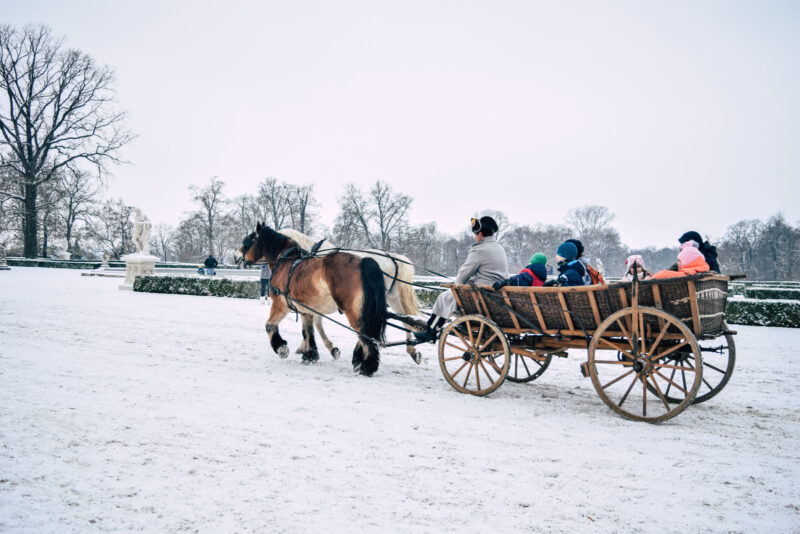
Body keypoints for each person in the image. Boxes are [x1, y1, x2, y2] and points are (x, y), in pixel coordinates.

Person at [415, 215, 508, 342]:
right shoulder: (499, 248)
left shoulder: (480, 249)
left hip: (481, 294)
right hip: (496, 294)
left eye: (476, 234)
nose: (475, 237)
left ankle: (431, 331)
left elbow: (463, 274)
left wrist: (456, 285)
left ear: (480, 234)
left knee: (444, 298)